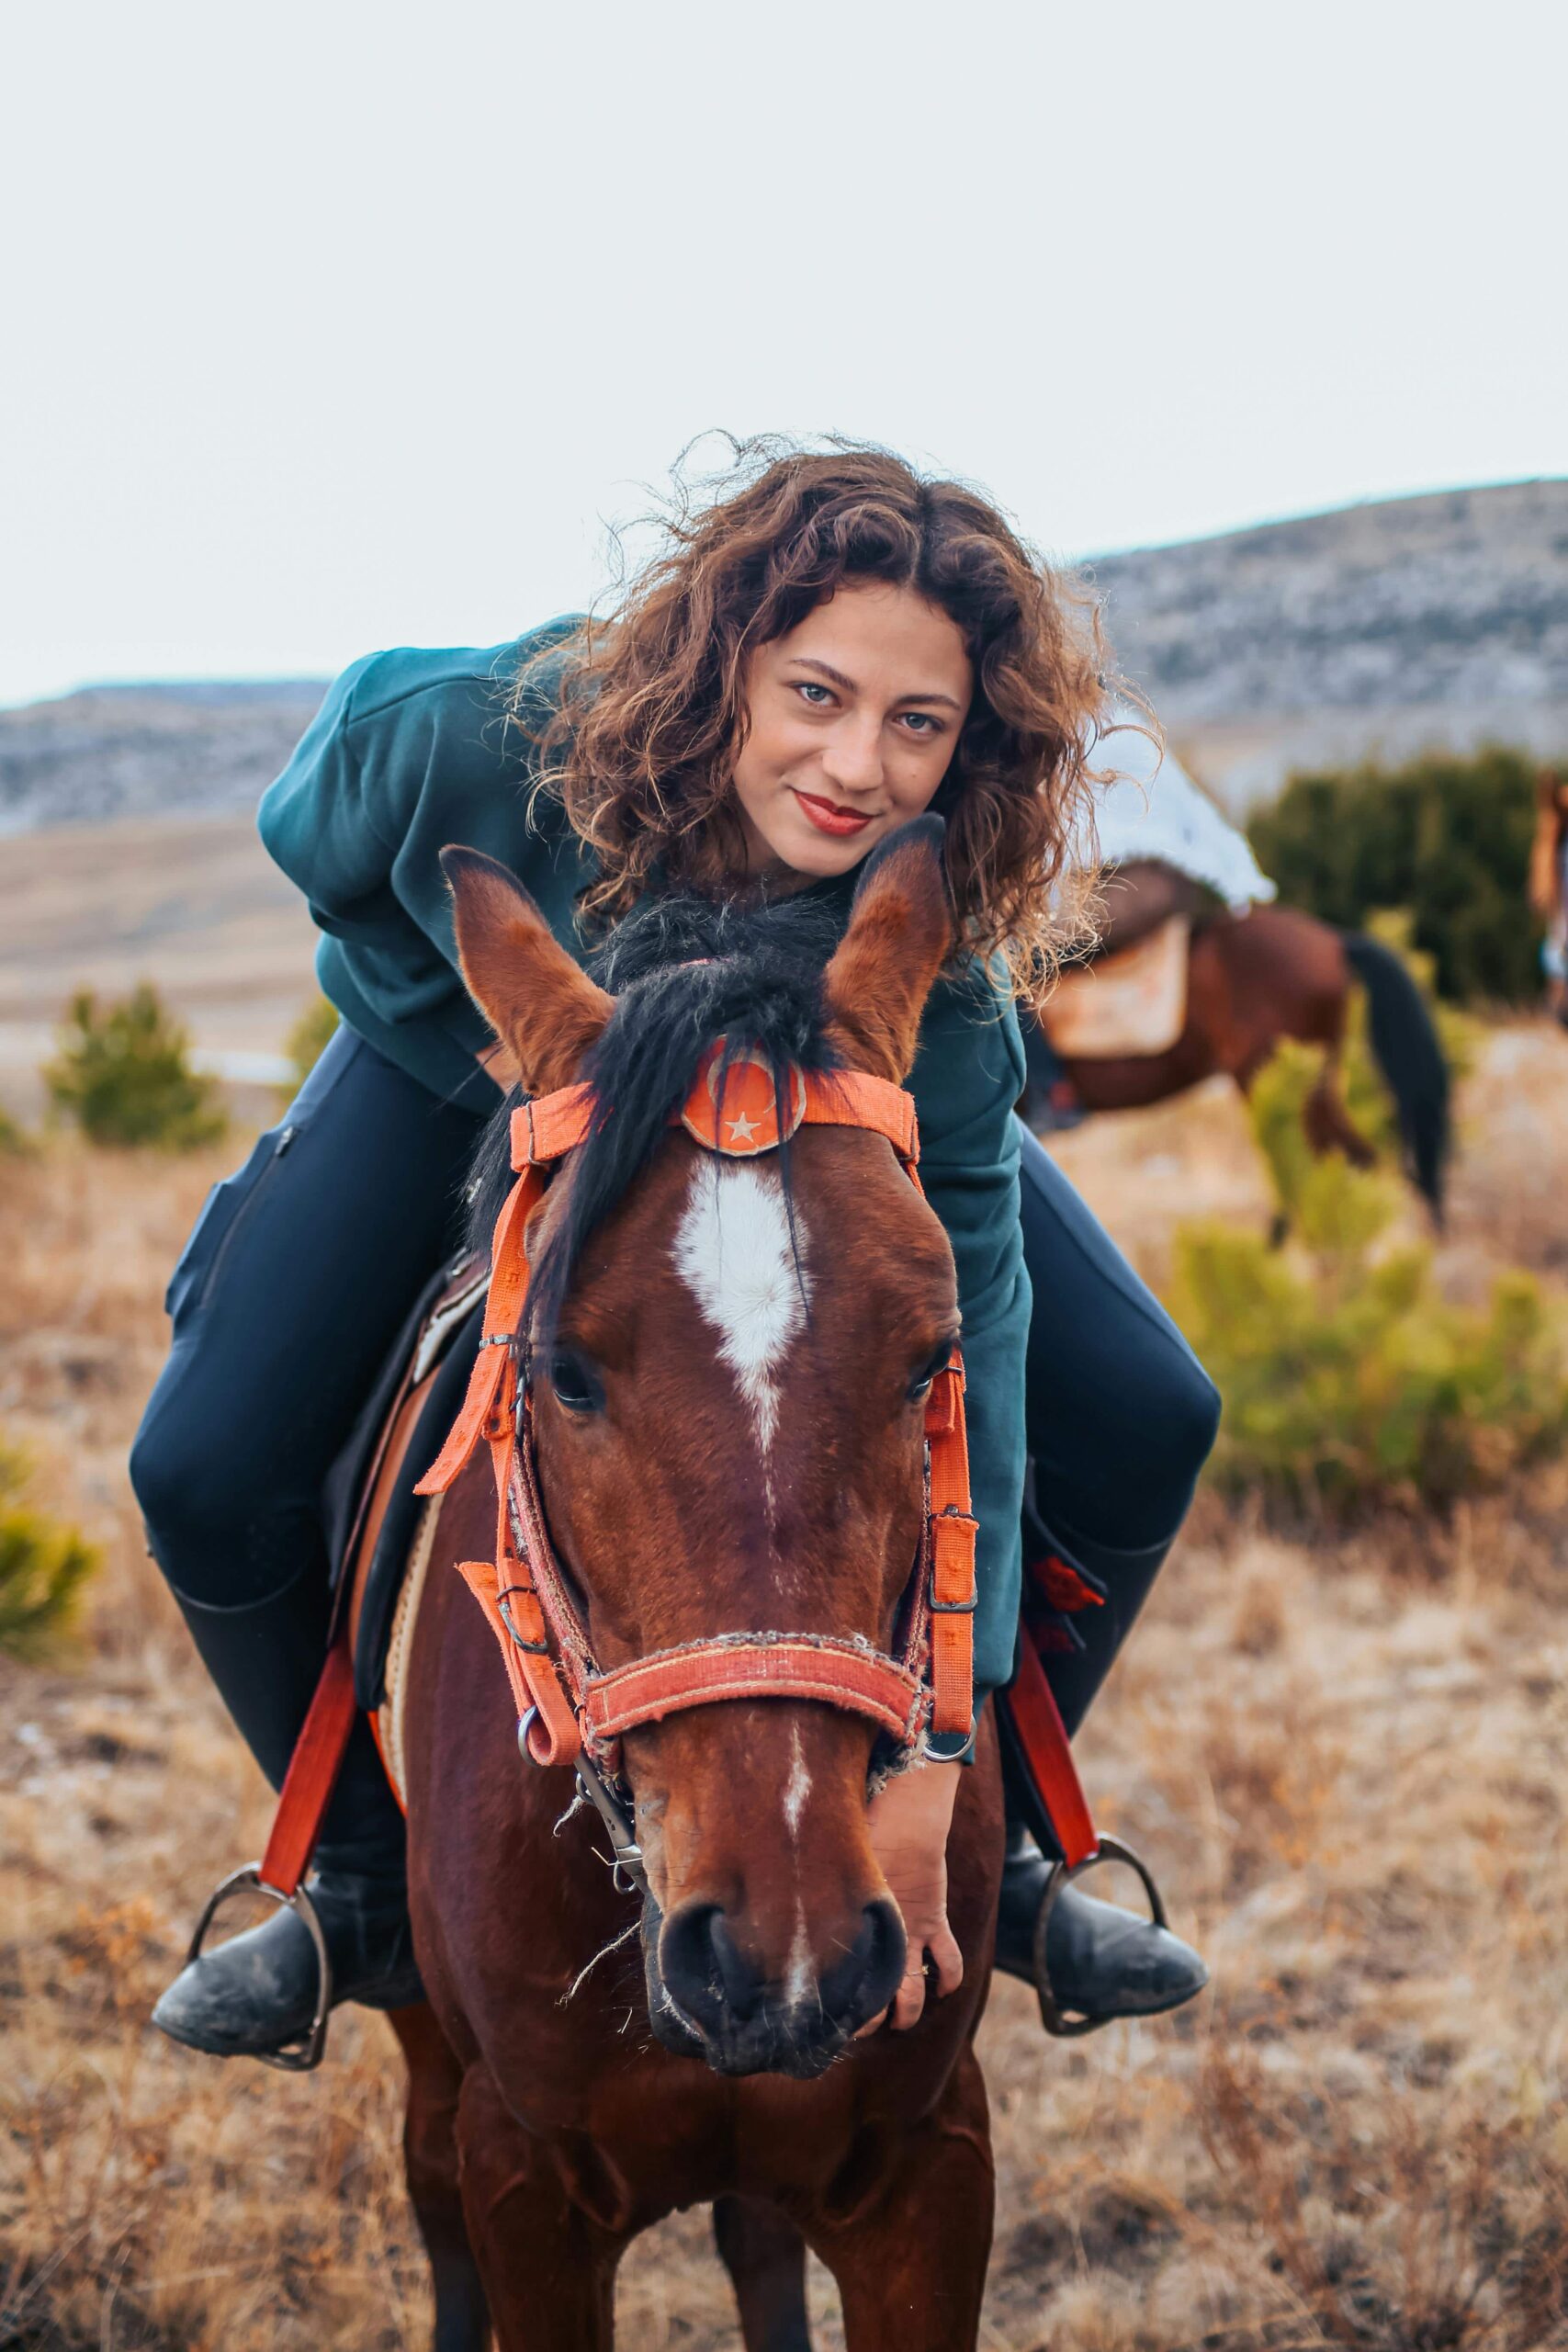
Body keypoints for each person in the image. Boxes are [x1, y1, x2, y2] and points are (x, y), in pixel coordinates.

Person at [130, 442, 1221, 2062]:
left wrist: (935, 1751)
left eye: (919, 726)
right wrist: (498, 1041)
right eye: (819, 694)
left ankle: (1025, 1846)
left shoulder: (951, 997)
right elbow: (318, 829)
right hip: (479, 1062)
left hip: (817, 1081)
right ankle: (357, 1885)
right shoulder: (467, 735)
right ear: (729, 662)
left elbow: (973, 1301)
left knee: (1150, 1406)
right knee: (201, 1461)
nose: (860, 766)